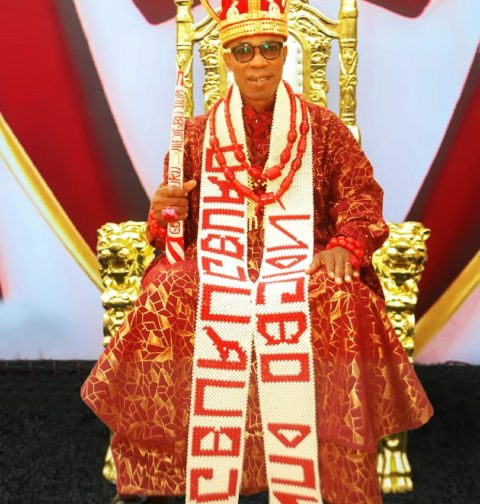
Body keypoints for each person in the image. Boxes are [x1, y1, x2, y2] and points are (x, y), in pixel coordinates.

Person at [81, 1, 433, 503]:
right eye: (244, 51)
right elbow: (171, 230)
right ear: (227, 58)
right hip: (216, 259)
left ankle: (330, 474)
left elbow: (360, 196)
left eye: (269, 48)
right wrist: (163, 211)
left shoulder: (324, 129)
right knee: (166, 294)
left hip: (302, 259)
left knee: (341, 297)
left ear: (285, 53)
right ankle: (160, 477)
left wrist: (346, 245)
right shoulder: (197, 134)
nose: (258, 62)